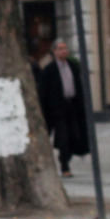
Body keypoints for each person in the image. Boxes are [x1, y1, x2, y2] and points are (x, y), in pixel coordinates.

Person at [39, 40, 89, 177]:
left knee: (74, 135)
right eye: (60, 49)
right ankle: (64, 166)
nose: (64, 51)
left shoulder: (73, 66)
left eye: (65, 48)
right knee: (63, 138)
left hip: (72, 107)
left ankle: (65, 160)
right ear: (54, 51)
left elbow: (78, 87)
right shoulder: (50, 69)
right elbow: (43, 92)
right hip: (57, 109)